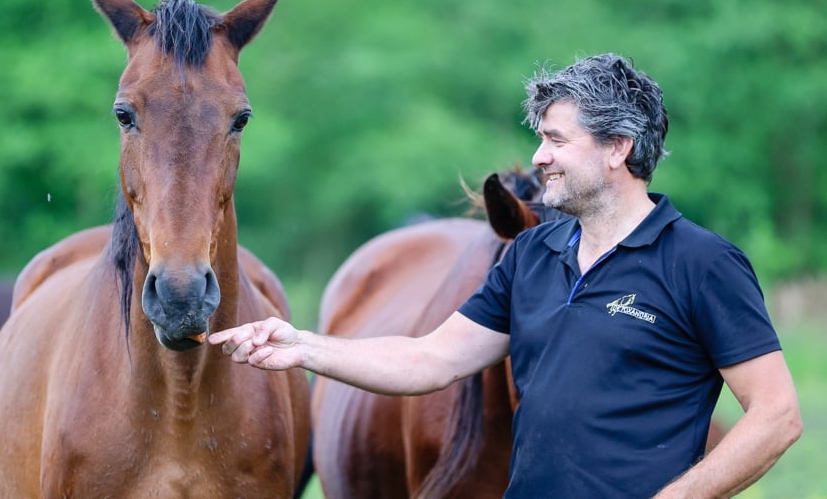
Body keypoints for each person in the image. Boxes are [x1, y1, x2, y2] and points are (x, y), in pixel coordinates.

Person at [209, 53, 802, 497]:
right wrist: (302, 345)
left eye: (555, 140)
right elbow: (431, 360)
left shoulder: (702, 263)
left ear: (618, 148)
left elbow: (776, 415)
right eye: (539, 139)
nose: (538, 157)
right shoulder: (531, 255)